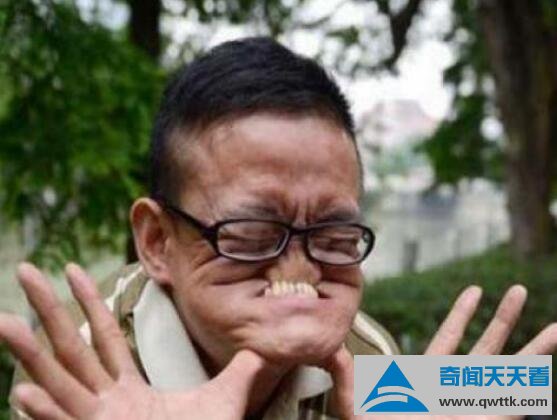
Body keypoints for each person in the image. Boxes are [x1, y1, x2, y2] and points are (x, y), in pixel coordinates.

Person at [1, 37, 555, 420]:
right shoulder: (82, 371)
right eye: (251, 231)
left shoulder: (368, 361)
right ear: (157, 242)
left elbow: (503, 389)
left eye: (335, 235)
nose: (301, 267)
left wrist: (519, 387)